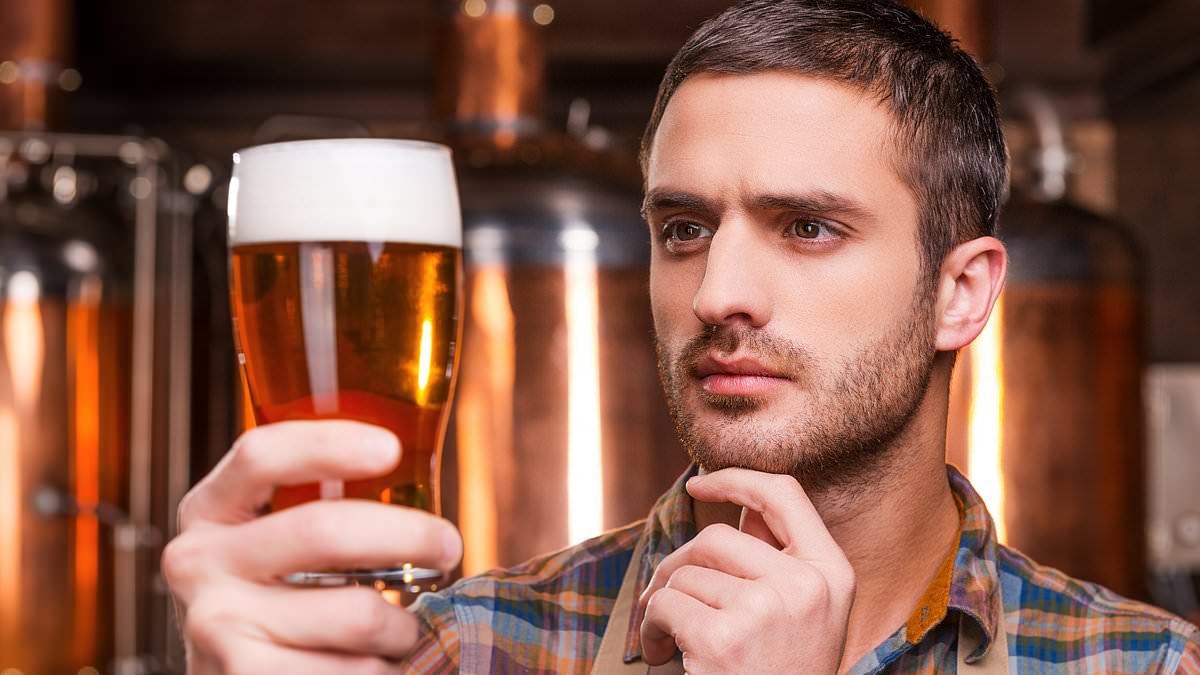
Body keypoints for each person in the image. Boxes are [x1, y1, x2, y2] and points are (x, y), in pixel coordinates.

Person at [162, 0, 1200, 672]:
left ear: (961, 294)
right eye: (684, 229)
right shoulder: (448, 655)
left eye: (806, 227)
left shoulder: (1144, 666)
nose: (718, 293)